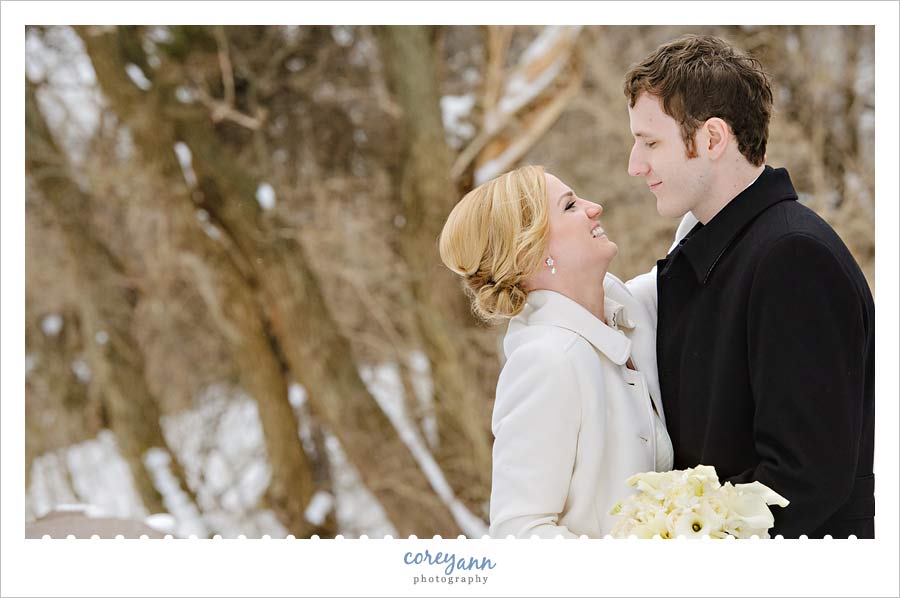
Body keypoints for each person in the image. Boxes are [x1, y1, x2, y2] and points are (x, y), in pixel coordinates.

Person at [624, 34, 875, 538]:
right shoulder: (719, 252)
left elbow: (805, 477)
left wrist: (683, 543)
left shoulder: (792, 257)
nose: (636, 164)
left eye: (651, 142)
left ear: (713, 139)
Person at [439, 165, 673, 538]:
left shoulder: (629, 311)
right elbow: (519, 531)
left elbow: (700, 247)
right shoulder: (547, 362)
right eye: (570, 206)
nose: (594, 207)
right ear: (530, 251)